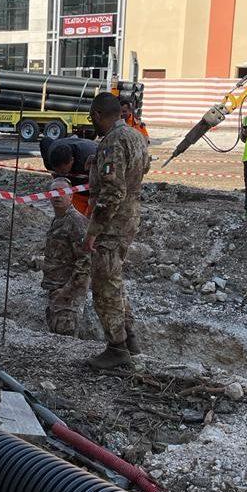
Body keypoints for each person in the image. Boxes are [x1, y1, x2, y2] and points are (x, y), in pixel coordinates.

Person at [83, 92, 150, 369]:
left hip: (112, 224)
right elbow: (141, 169)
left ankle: (116, 348)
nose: (92, 123)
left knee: (104, 286)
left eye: (92, 118)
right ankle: (129, 339)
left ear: (99, 115)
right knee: (115, 281)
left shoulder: (112, 142)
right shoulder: (136, 136)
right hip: (130, 218)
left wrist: (93, 230)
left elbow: (112, 191)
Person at [41, 178, 91, 337]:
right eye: (54, 192)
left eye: (62, 192)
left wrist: (68, 289)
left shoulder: (76, 221)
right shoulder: (58, 219)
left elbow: (86, 260)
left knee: (65, 337)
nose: (57, 196)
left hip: (67, 292)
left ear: (71, 196)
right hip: (55, 288)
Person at [40, 136, 99, 216]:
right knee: (73, 216)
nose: (61, 174)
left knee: (91, 216)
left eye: (63, 171)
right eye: (57, 171)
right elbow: (45, 141)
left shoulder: (90, 157)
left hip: (91, 187)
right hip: (75, 190)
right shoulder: (49, 154)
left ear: (72, 160)